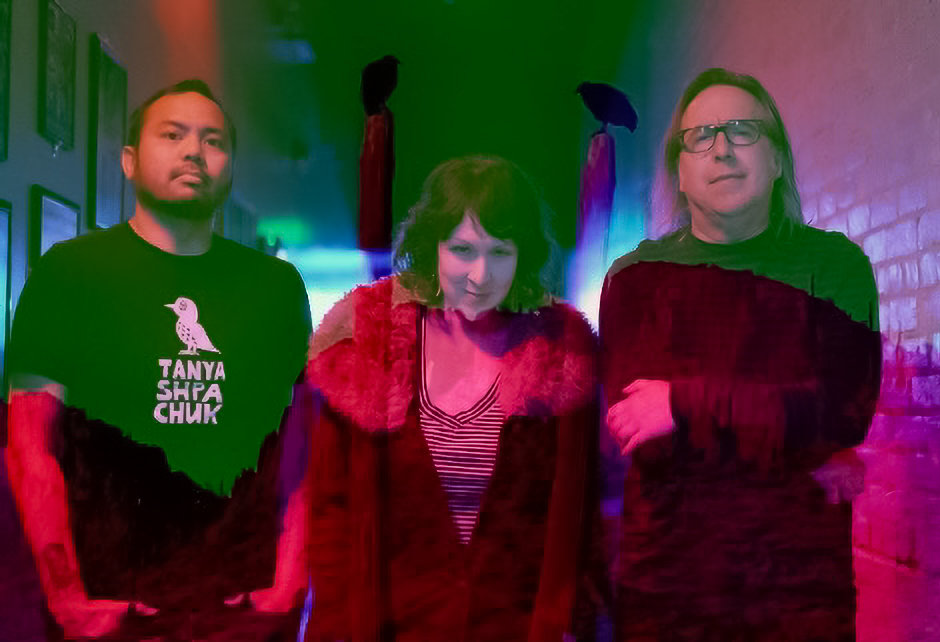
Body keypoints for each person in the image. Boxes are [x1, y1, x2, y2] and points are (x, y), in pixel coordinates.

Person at [5, 79, 312, 640]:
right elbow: (29, 446)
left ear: (229, 168)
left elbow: (303, 445)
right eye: (172, 135)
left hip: (240, 602)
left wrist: (291, 581)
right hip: (109, 602)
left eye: (213, 141)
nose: (194, 150)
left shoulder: (276, 287)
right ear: (128, 160)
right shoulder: (68, 273)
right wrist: (64, 595)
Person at [600, 68, 881, 641]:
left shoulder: (834, 266)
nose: (722, 148)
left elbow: (841, 414)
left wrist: (682, 403)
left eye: (743, 130)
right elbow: (641, 434)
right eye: (700, 136)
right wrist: (788, 431)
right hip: (667, 590)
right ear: (680, 171)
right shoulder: (634, 279)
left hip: (799, 595)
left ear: (777, 159)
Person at [305, 156, 601, 641]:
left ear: (523, 255)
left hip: (511, 628)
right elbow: (331, 512)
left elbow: (581, 517)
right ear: (433, 247)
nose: (480, 275)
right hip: (393, 626)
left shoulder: (558, 356)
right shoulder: (370, 348)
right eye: (462, 249)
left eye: (500, 252)